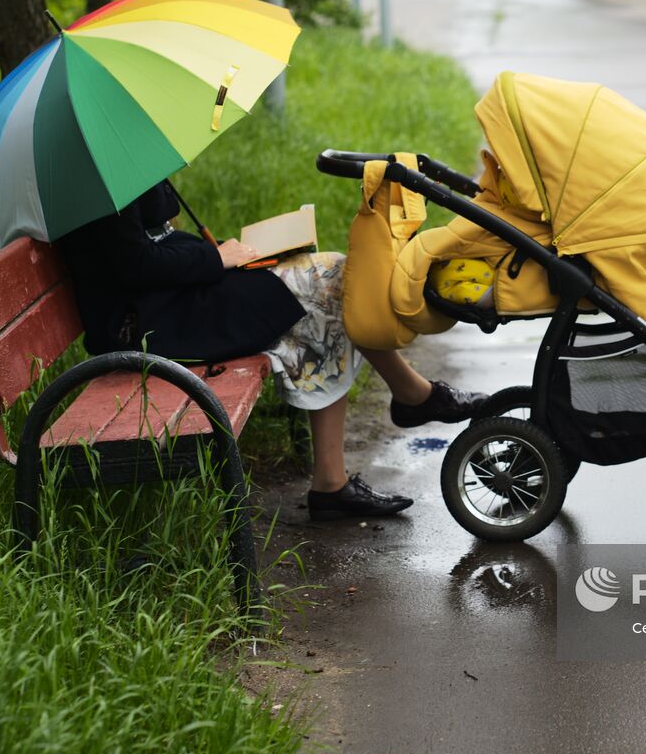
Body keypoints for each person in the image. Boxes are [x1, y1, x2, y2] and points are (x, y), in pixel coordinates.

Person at [55, 180, 489, 520]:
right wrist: (216, 260)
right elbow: (134, 265)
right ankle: (409, 400)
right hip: (151, 325)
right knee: (330, 284)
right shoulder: (96, 176)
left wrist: (225, 254)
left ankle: (342, 473)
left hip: (169, 303)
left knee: (327, 284)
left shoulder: (118, 156)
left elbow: (152, 241)